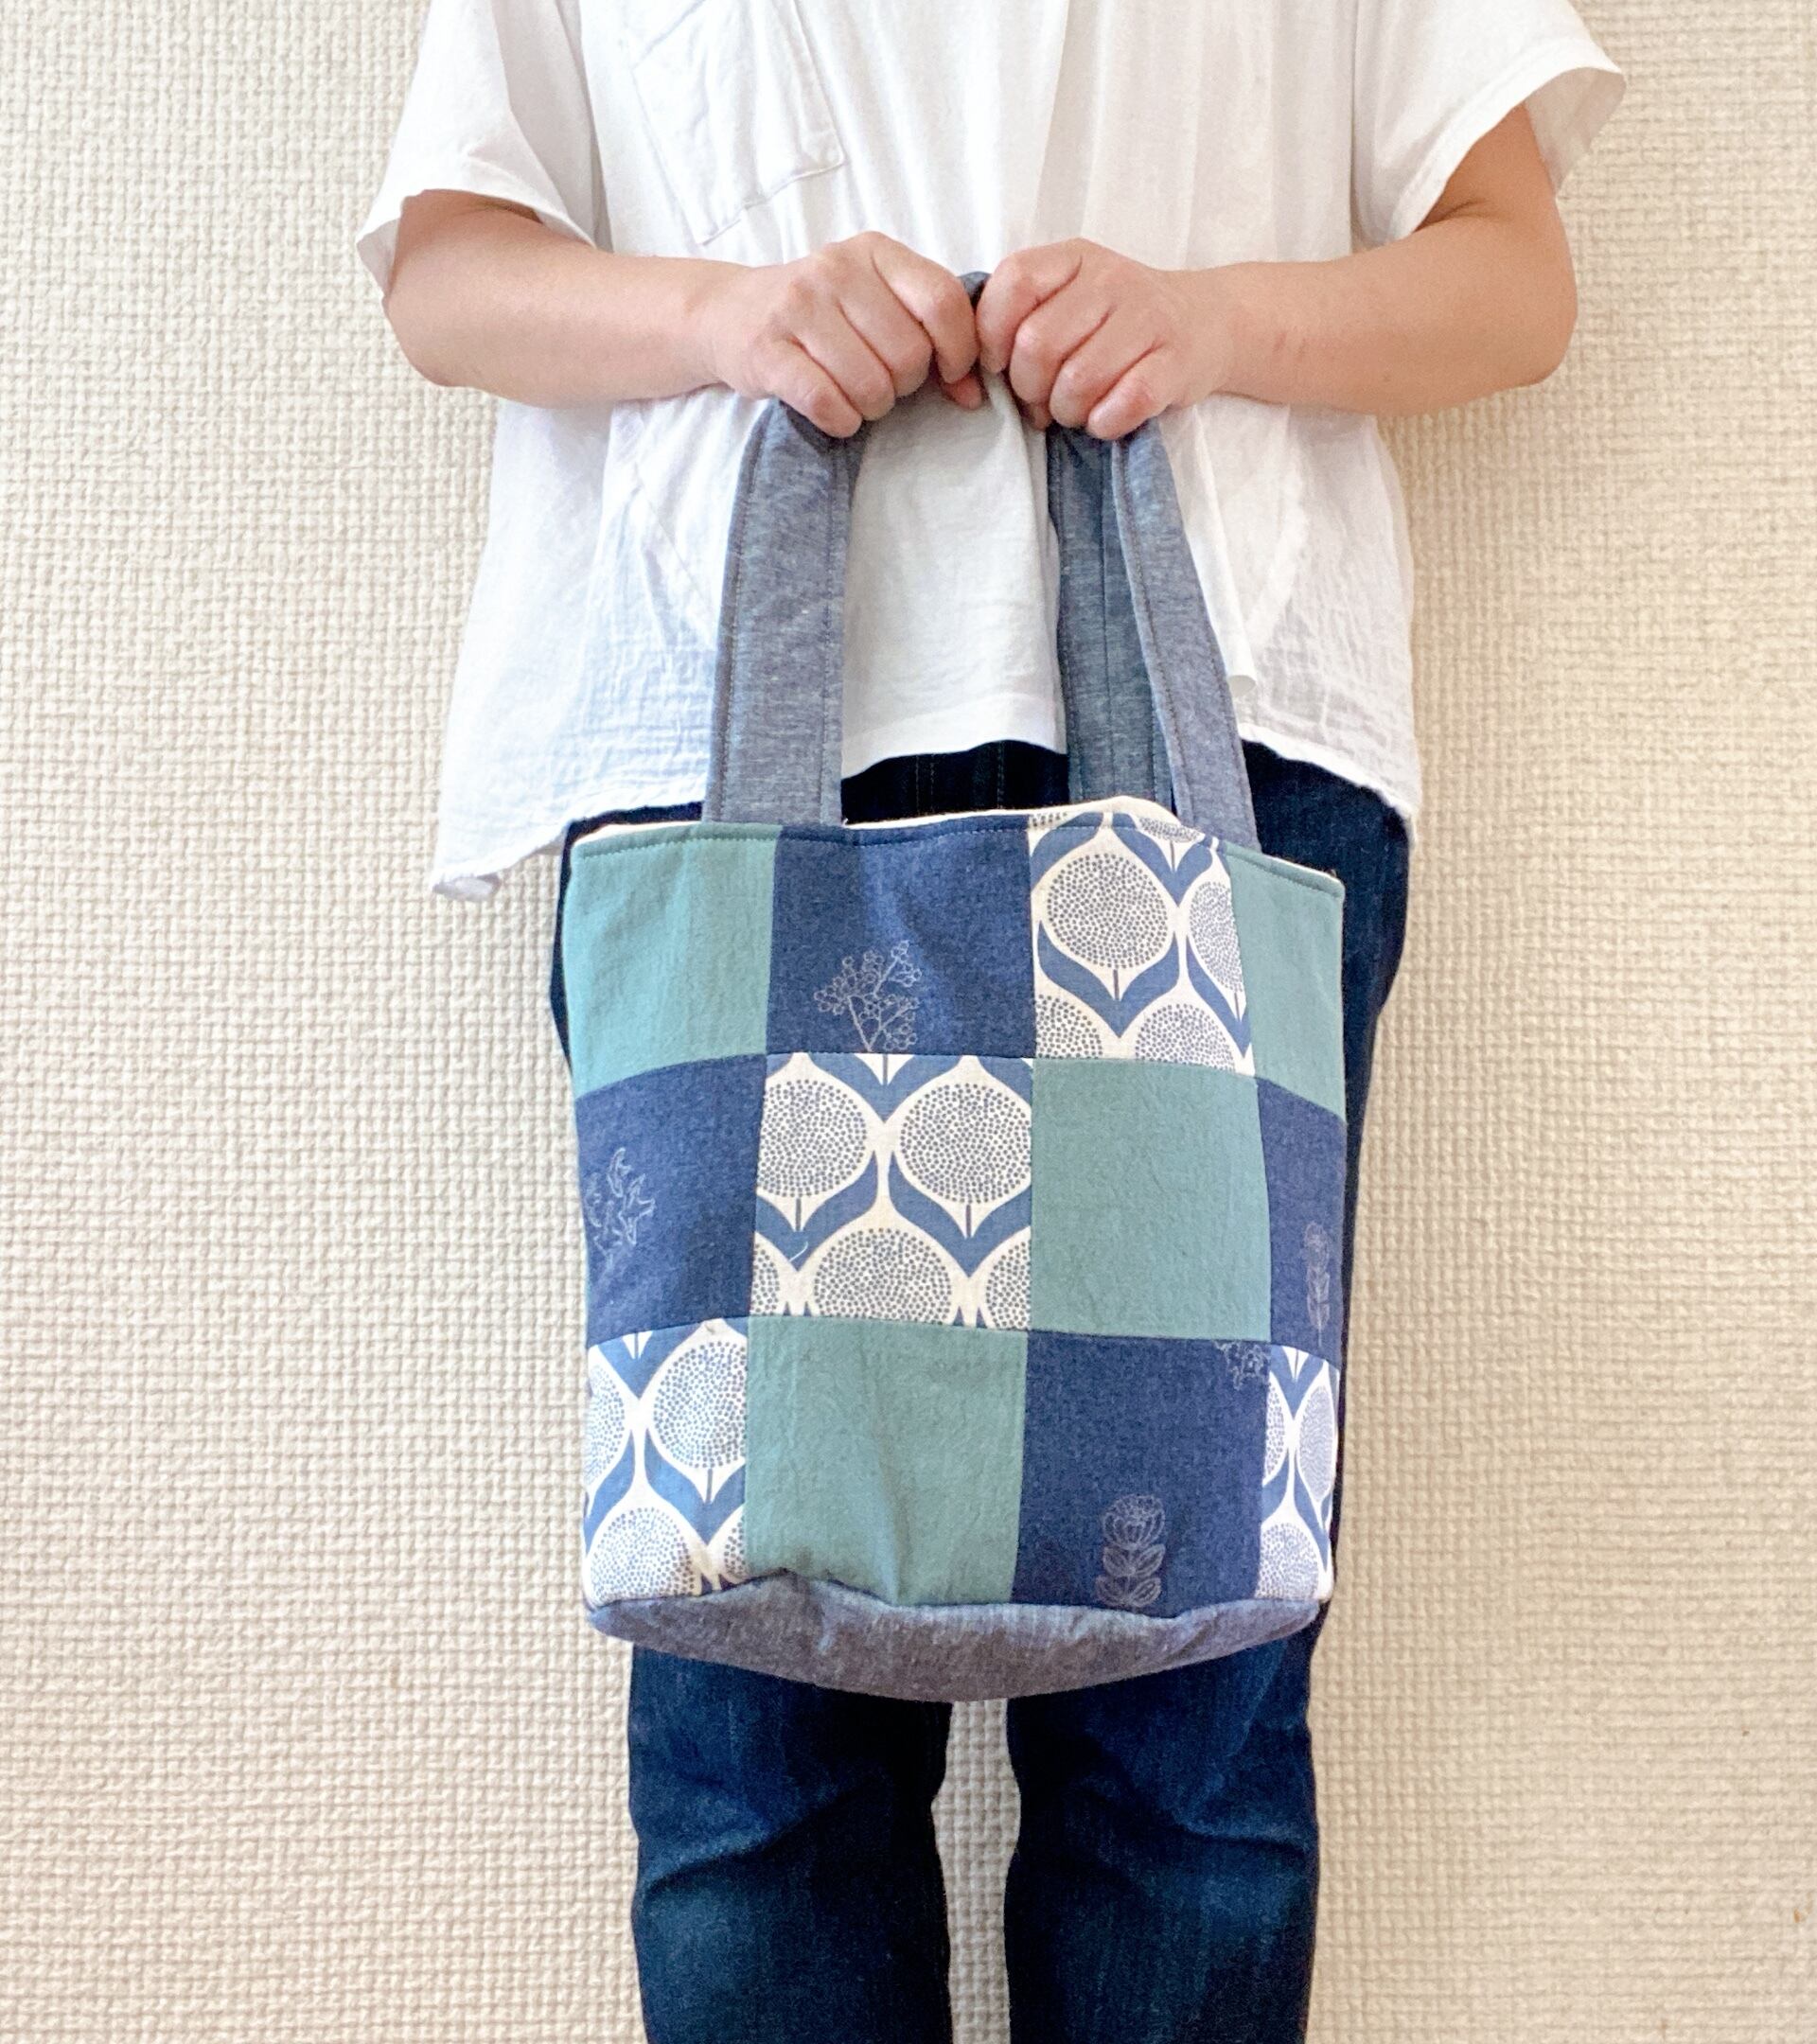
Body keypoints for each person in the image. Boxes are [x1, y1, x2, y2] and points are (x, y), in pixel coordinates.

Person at [360, 5, 1621, 2038]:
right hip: (726, 754)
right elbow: (447, 270)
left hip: (1222, 745)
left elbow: (1511, 274)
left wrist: (1207, 322)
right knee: (756, 1722)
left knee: (1188, 1720)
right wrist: (732, 317)